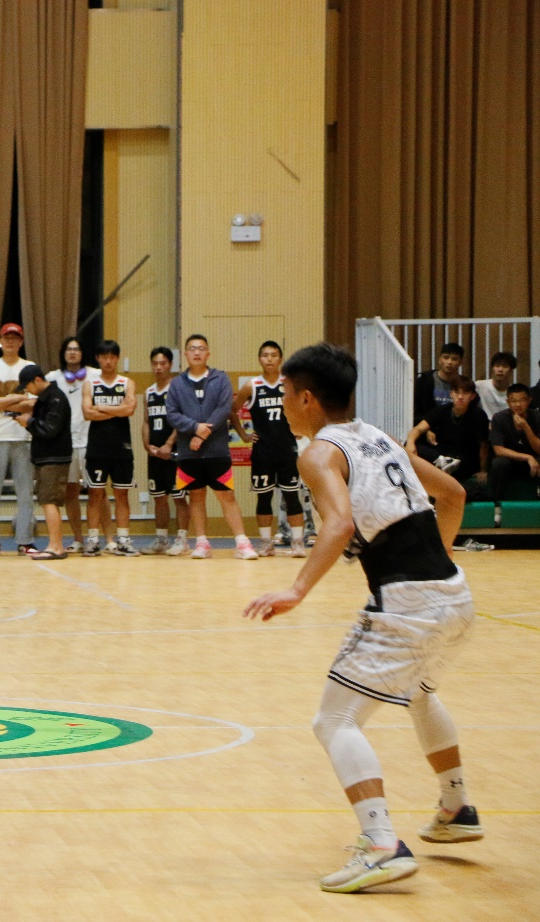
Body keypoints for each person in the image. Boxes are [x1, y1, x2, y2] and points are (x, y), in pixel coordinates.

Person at [245, 342, 482, 894]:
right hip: (455, 594)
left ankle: (379, 844)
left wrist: (297, 589)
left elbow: (340, 525)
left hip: (408, 603)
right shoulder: (377, 436)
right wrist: (437, 563)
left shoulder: (318, 453)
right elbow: (452, 494)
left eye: (286, 392)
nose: (282, 401)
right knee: (420, 694)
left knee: (333, 721)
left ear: (307, 398)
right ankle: (455, 808)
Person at [165, 334, 256, 560]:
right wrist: (195, 427)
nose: (197, 352)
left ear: (208, 353)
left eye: (201, 348)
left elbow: (224, 408)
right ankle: (202, 543)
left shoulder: (220, 378)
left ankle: (242, 543)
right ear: (185, 354)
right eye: (192, 348)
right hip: (189, 452)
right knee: (196, 496)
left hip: (217, 451)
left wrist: (203, 434)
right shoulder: (176, 383)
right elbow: (172, 414)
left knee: (227, 496)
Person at [232, 341, 308, 557]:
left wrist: (301, 427)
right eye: (265, 355)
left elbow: (306, 406)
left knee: (292, 496)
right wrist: (244, 435)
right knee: (263, 498)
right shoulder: (252, 385)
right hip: (263, 451)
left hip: (287, 449)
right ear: (259, 359)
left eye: (274, 355)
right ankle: (266, 543)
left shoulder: (290, 384)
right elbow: (232, 410)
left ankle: (297, 543)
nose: (269, 359)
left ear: (280, 359)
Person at [0, 323, 37, 556]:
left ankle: (26, 540)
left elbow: (32, 403)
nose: (11, 341)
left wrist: (2, 402)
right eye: (6, 337)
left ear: (21, 341)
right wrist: (15, 398)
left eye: (15, 338)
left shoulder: (29, 367)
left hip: (23, 436)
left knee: (25, 492)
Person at [80, 340, 139, 557]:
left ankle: (123, 540)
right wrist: (117, 409)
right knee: (95, 494)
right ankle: (93, 540)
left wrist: (102, 408)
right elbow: (87, 413)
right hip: (97, 447)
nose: (108, 361)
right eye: (104, 357)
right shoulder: (90, 384)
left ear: (117, 358)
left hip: (122, 447)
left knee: (122, 494)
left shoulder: (127, 383)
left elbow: (130, 410)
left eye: (112, 357)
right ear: (98, 359)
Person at [45, 337, 96, 553]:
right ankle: (78, 539)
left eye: (76, 349)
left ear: (83, 353)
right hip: (66, 443)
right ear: (63, 353)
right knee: (70, 492)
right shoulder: (52, 378)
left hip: (91, 440)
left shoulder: (95, 375)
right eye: (69, 349)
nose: (73, 352)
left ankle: (105, 539)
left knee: (98, 492)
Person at [15, 364, 72, 560]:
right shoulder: (46, 397)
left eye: (28, 385)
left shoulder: (55, 398)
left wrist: (29, 422)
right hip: (46, 457)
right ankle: (54, 545)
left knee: (49, 501)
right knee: (47, 501)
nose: (27, 390)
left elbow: (50, 429)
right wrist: (29, 423)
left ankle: (56, 547)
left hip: (53, 458)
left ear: (37, 380)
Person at [142, 347, 190, 555]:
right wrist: (147, 445)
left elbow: (182, 420)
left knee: (179, 497)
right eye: (155, 363)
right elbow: (146, 421)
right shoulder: (149, 392)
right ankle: (161, 539)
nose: (158, 367)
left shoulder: (178, 389)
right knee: (159, 497)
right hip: (155, 454)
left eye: (163, 363)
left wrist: (169, 444)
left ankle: (182, 540)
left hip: (176, 453)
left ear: (170, 365)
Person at [405, 377, 490, 483]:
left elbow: (483, 445)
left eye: (465, 393)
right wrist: (410, 442)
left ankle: (444, 467)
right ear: (451, 394)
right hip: (441, 456)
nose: (460, 397)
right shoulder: (441, 410)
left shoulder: (479, 415)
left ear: (472, 396)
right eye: (456, 392)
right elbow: (418, 429)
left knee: (463, 462)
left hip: (464, 458)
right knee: (410, 445)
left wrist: (483, 470)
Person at [487, 384, 540, 520]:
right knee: (499, 463)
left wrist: (526, 427)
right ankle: (497, 505)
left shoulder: (537, 417)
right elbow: (498, 450)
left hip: (532, 465)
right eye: (513, 401)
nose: (518, 404)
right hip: (511, 462)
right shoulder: (499, 418)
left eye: (522, 400)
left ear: (529, 401)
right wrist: (527, 457)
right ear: (508, 402)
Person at [413, 342, 464, 424]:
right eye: (446, 357)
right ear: (440, 360)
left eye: (454, 359)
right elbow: (416, 410)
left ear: (461, 362)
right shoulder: (424, 381)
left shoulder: (465, 384)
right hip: (426, 427)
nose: (449, 362)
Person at [474, 351, 515, 420]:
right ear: (492, 368)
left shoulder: (515, 392)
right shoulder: (478, 386)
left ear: (511, 370)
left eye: (505, 366)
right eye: (497, 366)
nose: (500, 370)